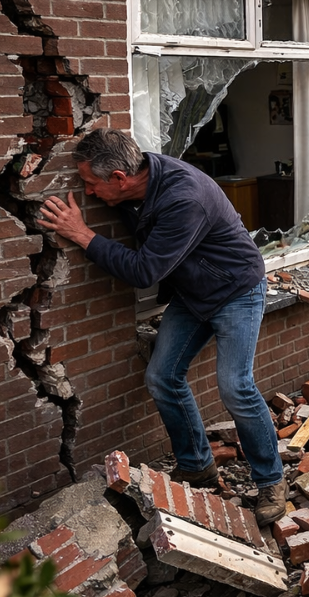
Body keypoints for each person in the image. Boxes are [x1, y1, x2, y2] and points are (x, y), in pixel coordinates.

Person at [37, 129, 287, 526]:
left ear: (119, 178)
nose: (88, 192)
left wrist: (82, 234)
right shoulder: (140, 178)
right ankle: (197, 466)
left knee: (235, 387)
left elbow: (144, 271)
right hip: (193, 292)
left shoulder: (182, 197)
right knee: (162, 376)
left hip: (236, 289)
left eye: (90, 183)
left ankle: (271, 480)